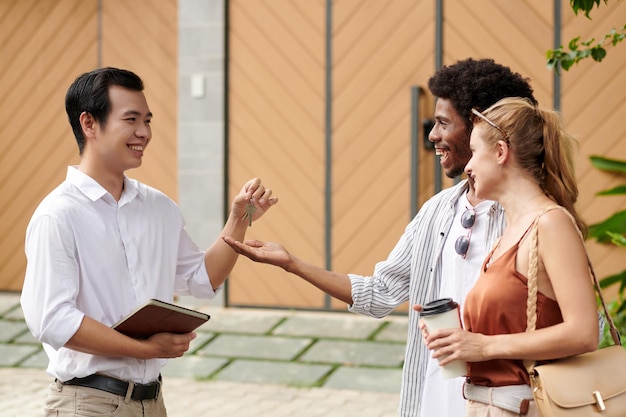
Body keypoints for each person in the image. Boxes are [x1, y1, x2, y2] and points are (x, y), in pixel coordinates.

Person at [222, 58, 537, 417]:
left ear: (482, 130)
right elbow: (380, 293)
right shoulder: (438, 210)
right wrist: (292, 264)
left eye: (443, 123)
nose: (432, 134)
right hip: (433, 402)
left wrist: (482, 346)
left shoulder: (533, 216)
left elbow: (576, 325)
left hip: (507, 406)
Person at [20, 67, 277, 417]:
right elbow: (52, 320)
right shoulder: (58, 215)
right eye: (131, 119)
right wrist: (145, 349)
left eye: (148, 120)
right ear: (89, 124)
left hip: (152, 404)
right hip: (86, 404)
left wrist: (239, 220)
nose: (144, 132)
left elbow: (202, 279)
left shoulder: (159, 208)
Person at [420, 97, 599, 416]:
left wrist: (484, 345)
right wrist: (457, 340)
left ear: (501, 152)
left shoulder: (550, 224)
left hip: (523, 406)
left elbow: (584, 333)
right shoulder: (511, 230)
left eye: (475, 152)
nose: (469, 166)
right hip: (488, 405)